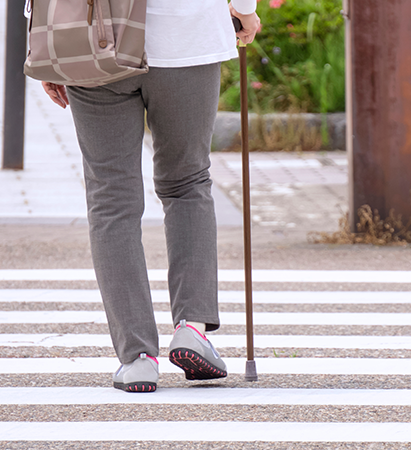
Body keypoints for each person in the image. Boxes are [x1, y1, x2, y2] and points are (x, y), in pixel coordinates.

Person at [41, 0, 260, 392]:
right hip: (186, 38)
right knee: (188, 183)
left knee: (112, 201)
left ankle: (137, 357)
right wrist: (244, 9)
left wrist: (46, 45)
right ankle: (192, 329)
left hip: (96, 41)